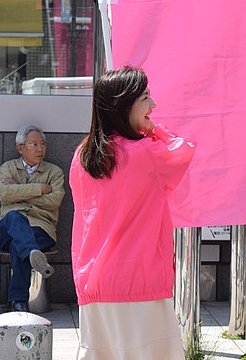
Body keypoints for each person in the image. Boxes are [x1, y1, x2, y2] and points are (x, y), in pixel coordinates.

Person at [70, 66, 196, 359]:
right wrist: (155, 129)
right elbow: (183, 150)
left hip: (93, 282)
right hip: (139, 280)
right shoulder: (146, 153)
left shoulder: (84, 156)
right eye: (146, 98)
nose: (153, 106)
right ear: (125, 104)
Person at [0, 124, 64, 313]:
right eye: (34, 144)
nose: (40, 148)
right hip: (7, 228)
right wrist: (39, 189)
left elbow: (55, 200)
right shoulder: (8, 168)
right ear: (20, 148)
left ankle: (19, 302)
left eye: (43, 144)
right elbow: (4, 194)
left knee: (20, 245)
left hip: (41, 229)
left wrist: (18, 190)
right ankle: (33, 253)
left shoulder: (54, 172)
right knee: (15, 217)